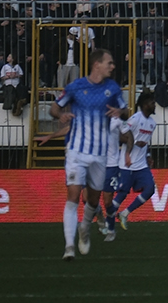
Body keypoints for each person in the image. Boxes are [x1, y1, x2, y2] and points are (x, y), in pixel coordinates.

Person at [46, 49, 124, 260]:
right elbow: (54, 108)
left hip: (100, 154)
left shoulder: (113, 88)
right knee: (72, 197)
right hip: (76, 151)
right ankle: (69, 247)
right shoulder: (76, 87)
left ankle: (85, 228)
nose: (112, 66)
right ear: (96, 64)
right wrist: (61, 115)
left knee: (92, 199)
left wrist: (120, 112)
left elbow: (125, 110)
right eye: (109, 63)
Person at [106, 91, 157, 231]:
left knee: (150, 189)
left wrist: (148, 155)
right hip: (127, 164)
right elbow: (121, 136)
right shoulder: (135, 119)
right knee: (122, 194)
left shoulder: (153, 123)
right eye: (152, 103)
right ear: (145, 105)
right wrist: (133, 144)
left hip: (141, 165)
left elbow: (146, 142)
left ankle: (125, 213)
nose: (154, 105)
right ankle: (108, 222)